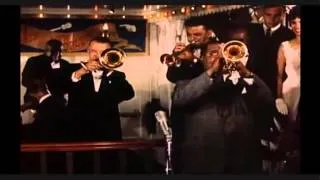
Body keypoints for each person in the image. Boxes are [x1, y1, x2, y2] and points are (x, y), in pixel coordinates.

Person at [171, 39, 274, 173]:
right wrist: (212, 71)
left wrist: (247, 74)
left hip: (242, 163)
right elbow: (181, 99)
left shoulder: (246, 83)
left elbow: (267, 100)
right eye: (213, 53)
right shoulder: (187, 83)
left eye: (224, 52)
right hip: (203, 163)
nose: (221, 57)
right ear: (201, 58)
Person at [66, 36, 135, 173]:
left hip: (108, 135)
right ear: (87, 51)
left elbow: (129, 94)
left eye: (102, 52)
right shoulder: (72, 70)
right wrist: (80, 72)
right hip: (80, 134)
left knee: (109, 169)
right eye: (93, 51)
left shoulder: (116, 76)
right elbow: (59, 87)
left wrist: (109, 72)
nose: (97, 55)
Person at [251, 5, 295, 97]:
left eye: (276, 15)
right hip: (253, 83)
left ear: (282, 15)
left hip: (276, 86)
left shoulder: (289, 35)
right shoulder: (252, 31)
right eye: (268, 15)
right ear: (263, 13)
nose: (272, 19)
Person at [21, 39, 70, 112]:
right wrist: (40, 85)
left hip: (58, 101)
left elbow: (67, 84)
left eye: (61, 51)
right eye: (57, 51)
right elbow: (25, 81)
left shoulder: (65, 64)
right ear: (48, 50)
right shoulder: (34, 61)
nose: (60, 54)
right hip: (36, 100)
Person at [165, 16, 215, 83]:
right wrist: (175, 61)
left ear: (209, 33)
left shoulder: (215, 48)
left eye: (197, 34)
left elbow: (212, 76)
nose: (191, 39)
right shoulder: (187, 49)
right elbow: (172, 78)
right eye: (188, 35)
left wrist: (193, 59)